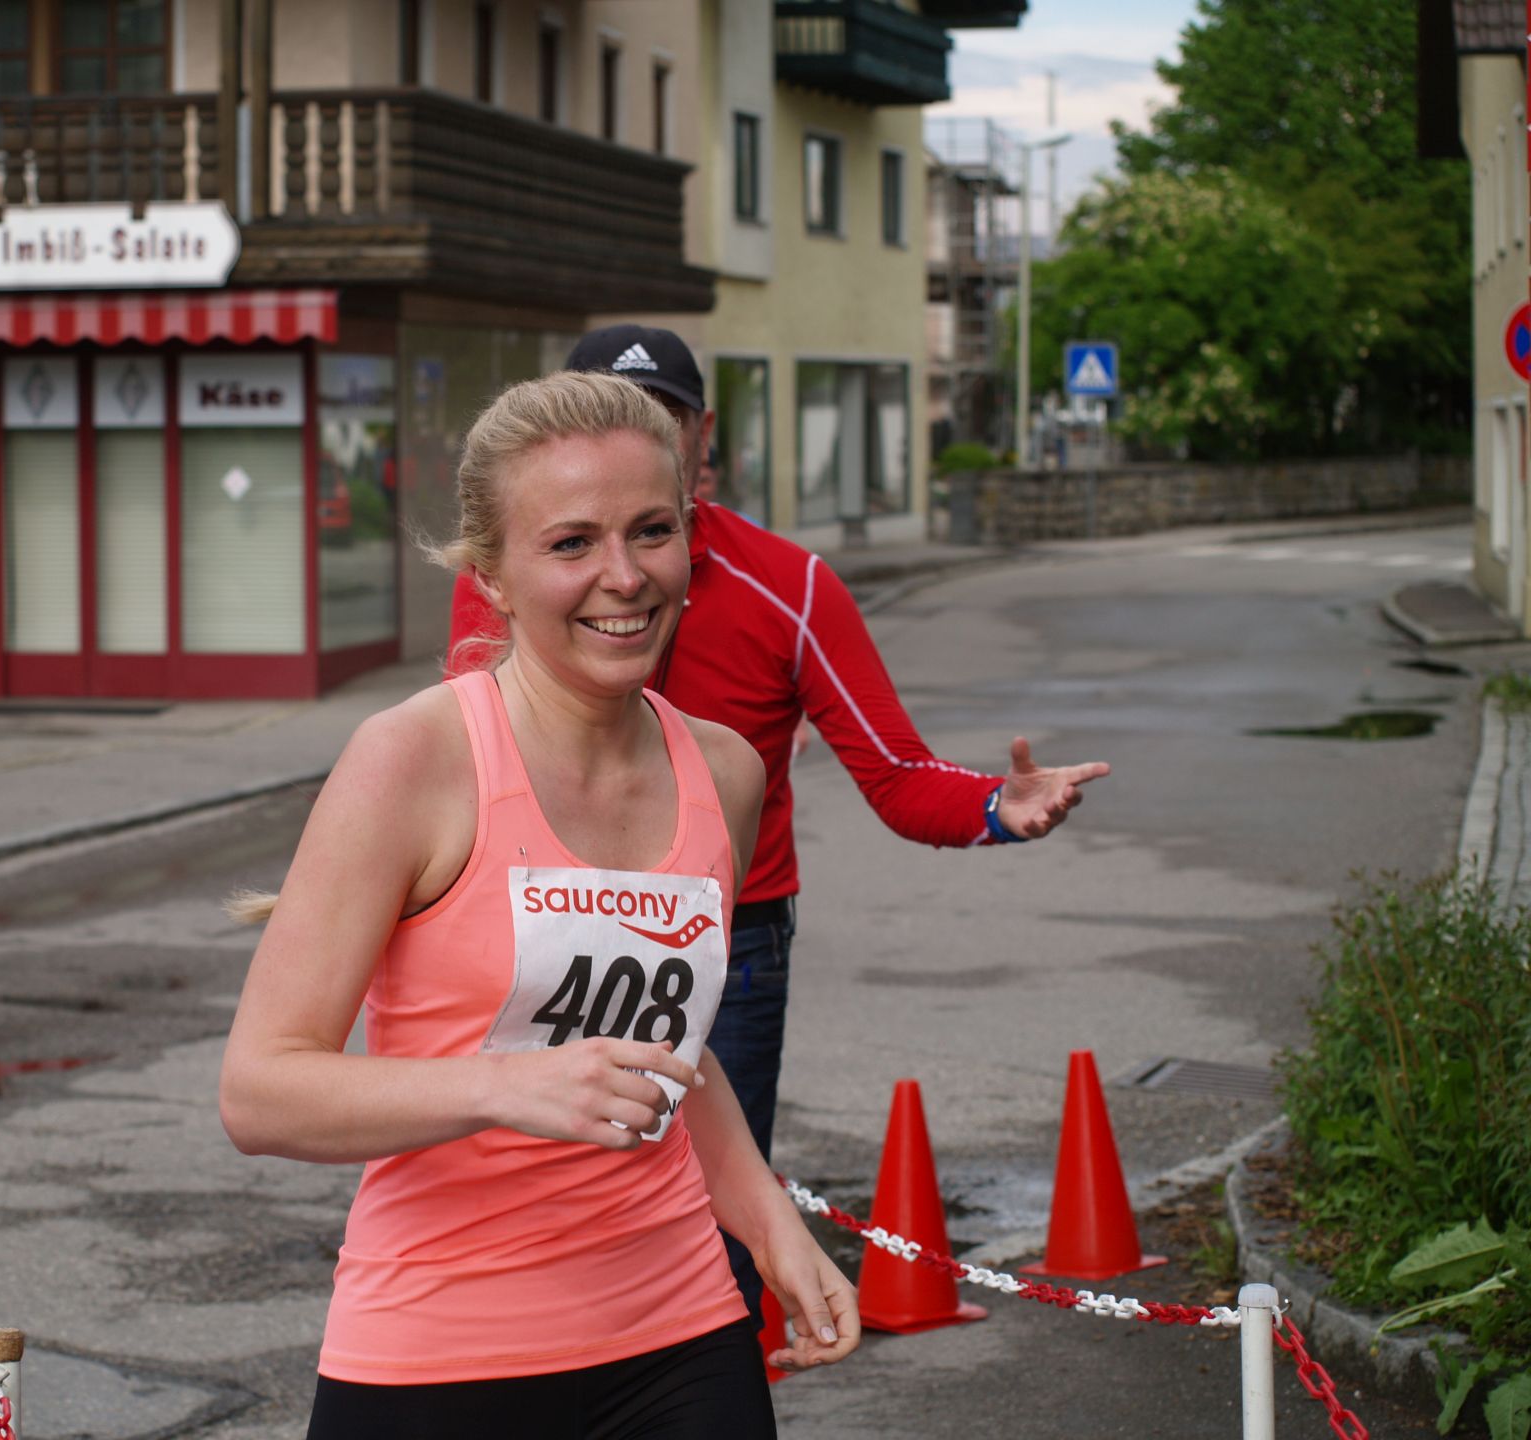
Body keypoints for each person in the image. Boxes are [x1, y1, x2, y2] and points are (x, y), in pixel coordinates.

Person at [220, 371, 859, 1438]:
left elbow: (674, 1053)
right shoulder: (413, 760)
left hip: (681, 1333)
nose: (625, 576)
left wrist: (769, 1222)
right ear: (494, 578)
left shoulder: (726, 773)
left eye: (653, 531)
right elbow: (259, 1093)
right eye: (571, 543)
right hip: (439, 1354)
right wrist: (507, 1084)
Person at [446, 324, 1109, 1321]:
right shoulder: (516, 574)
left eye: (661, 418)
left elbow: (895, 773)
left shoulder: (787, 584)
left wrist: (993, 805)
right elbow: (473, 749)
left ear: (701, 436)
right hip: (542, 928)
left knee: (712, 1221)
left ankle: (718, 1367)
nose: (633, 439)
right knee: (537, 1205)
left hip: (727, 942)